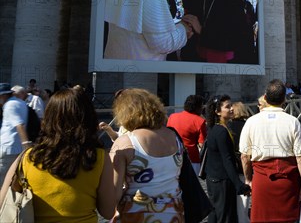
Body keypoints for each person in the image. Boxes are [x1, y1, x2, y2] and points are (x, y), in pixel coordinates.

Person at [0, 86, 115, 221]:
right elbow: (108, 212)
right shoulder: (99, 158)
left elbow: (3, 203)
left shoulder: (28, 158)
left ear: (49, 118)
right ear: (88, 118)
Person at [239, 79, 301, 222]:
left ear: (265, 98)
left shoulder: (251, 121)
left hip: (261, 180)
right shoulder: (293, 122)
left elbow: (245, 157)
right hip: (288, 181)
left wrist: (248, 180)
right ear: (284, 99)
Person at [110, 88, 184, 220]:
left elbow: (112, 192)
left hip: (137, 212)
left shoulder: (125, 142)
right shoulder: (174, 137)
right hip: (173, 212)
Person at [204, 95, 250, 223]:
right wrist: (239, 185)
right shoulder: (221, 131)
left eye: (231, 106)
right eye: (227, 107)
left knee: (215, 213)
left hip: (214, 177)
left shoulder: (215, 128)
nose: (231, 109)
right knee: (224, 216)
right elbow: (227, 159)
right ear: (217, 111)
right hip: (222, 180)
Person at [167, 94, 207, 175]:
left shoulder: (172, 116)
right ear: (198, 107)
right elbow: (202, 144)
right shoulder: (200, 121)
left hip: (173, 156)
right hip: (192, 158)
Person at [0, 85, 30, 185]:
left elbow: (19, 124)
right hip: (17, 147)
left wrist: (26, 145)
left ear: (3, 96)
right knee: (12, 177)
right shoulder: (21, 103)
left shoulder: (10, 105)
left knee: (3, 178)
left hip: (8, 147)